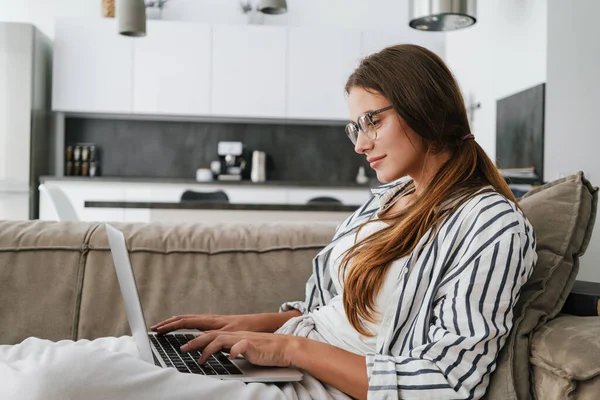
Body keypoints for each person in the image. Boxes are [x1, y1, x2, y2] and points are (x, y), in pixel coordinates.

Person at [0, 44, 537, 400]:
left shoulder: (491, 226)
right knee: (38, 356)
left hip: (315, 388)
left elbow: (445, 386)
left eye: (373, 120)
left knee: (46, 384)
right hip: (289, 363)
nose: (362, 142)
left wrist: (288, 349)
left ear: (424, 107)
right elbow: (333, 313)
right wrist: (250, 324)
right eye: (355, 127)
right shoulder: (387, 200)